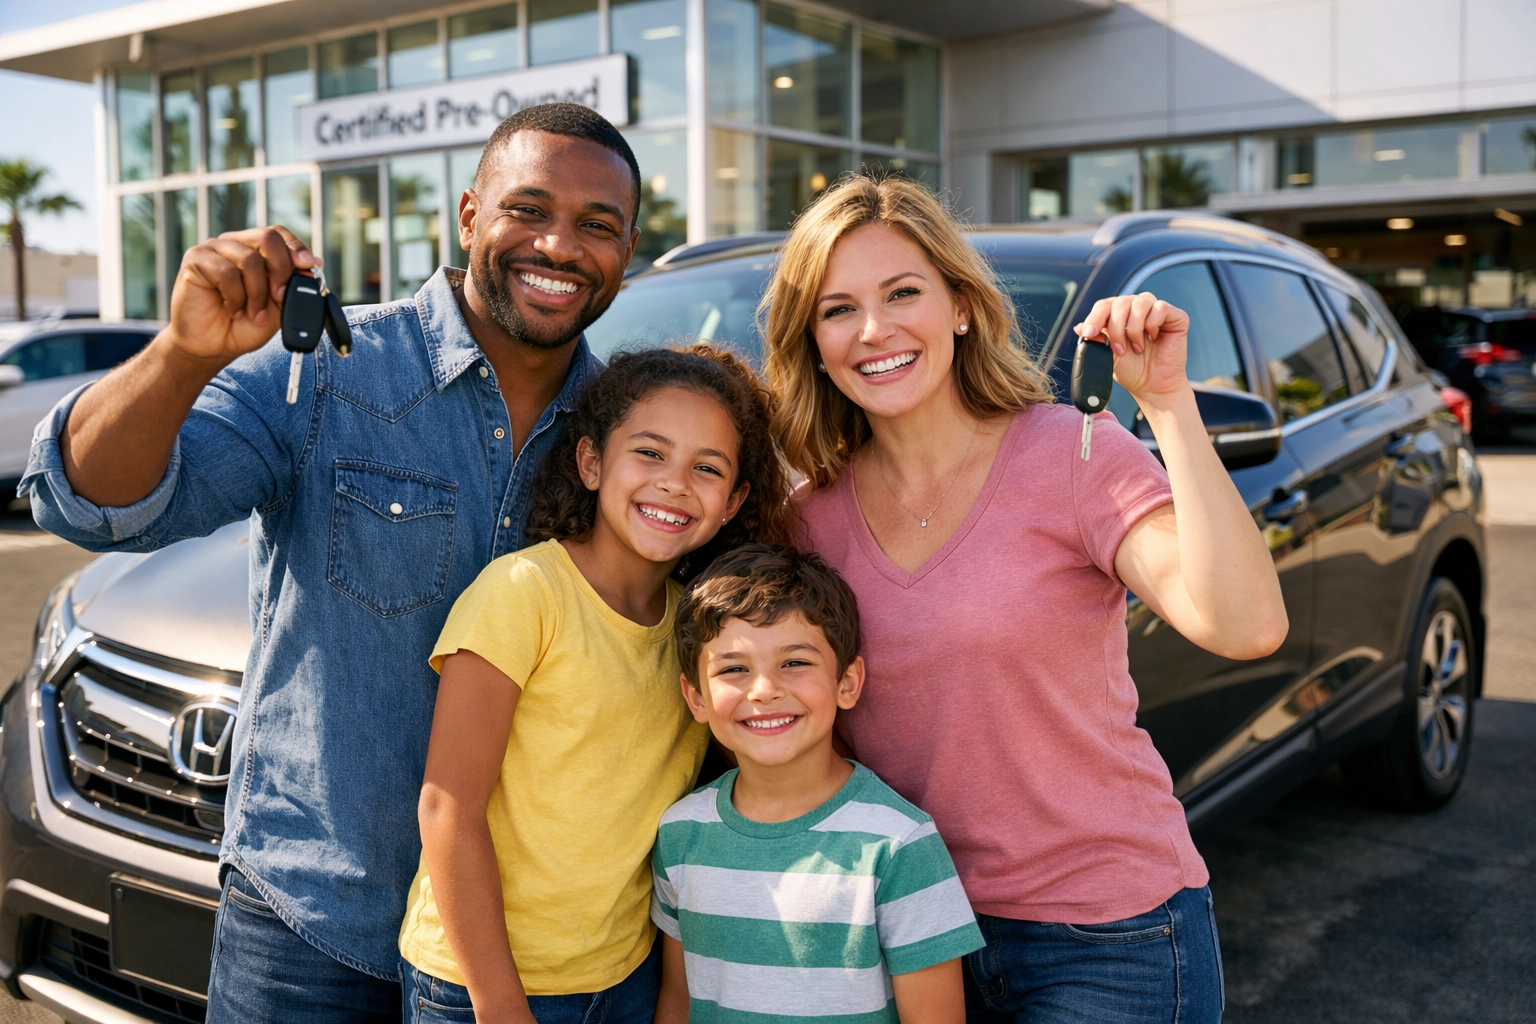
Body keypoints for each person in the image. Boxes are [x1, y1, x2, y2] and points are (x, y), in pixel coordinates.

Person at [19, 102, 644, 1023]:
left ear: (628, 249)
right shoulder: (327, 373)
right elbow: (89, 504)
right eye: (530, 209)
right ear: (470, 216)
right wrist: (183, 355)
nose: (560, 244)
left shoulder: (633, 433)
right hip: (311, 927)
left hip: (530, 947)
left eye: (598, 225)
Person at [763, 175, 1289, 1024]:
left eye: (904, 293)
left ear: (963, 306)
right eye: (837, 309)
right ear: (813, 340)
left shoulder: (1074, 453)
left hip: (1107, 939)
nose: (874, 330)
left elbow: (1244, 624)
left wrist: (1168, 405)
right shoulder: (807, 520)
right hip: (906, 936)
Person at [399, 346, 791, 1024]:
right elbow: (447, 808)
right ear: (590, 462)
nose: (674, 484)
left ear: (732, 503)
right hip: (477, 985)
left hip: (623, 979)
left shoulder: (699, 632)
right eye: (650, 453)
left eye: (706, 468)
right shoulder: (524, 594)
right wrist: (499, 1006)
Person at [653, 543, 985, 1024]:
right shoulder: (680, 833)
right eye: (733, 669)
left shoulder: (900, 845)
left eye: (794, 662)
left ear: (847, 683)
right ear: (696, 698)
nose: (764, 689)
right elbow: (677, 1002)